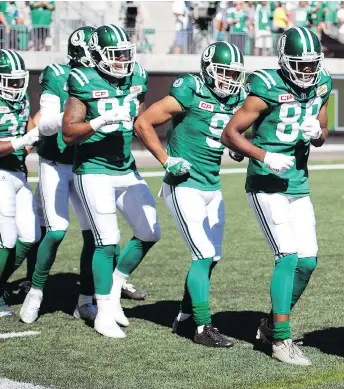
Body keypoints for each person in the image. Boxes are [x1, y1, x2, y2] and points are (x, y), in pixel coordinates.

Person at [221, 27, 331, 365]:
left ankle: (270, 325)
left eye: (312, 64)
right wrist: (264, 156)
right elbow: (230, 134)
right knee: (287, 255)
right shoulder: (266, 86)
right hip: (266, 183)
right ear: (284, 61)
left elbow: (323, 132)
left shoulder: (322, 84)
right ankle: (281, 341)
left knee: (308, 261)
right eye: (301, 64)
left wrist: (318, 134)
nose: (308, 71)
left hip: (298, 182)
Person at [134, 41, 246, 348]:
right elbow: (143, 122)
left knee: (213, 257)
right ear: (209, 70)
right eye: (224, 73)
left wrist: (235, 149)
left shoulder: (236, 96)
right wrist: (165, 159)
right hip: (183, 185)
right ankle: (202, 327)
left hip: (212, 185)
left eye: (235, 74)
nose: (230, 81)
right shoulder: (190, 90)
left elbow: (225, 132)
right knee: (203, 254)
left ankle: (184, 316)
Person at [62, 24, 160, 338]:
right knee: (107, 240)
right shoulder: (83, 79)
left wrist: (165, 158)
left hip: (125, 168)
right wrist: (99, 120)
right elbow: (68, 133)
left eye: (125, 54)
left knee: (149, 231)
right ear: (98, 55)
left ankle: (115, 287)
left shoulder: (137, 76)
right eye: (115, 55)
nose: (122, 60)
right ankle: (102, 312)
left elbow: (141, 121)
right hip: (93, 170)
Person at [19, 26, 98, 325]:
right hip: (54, 161)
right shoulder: (58, 73)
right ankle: (35, 292)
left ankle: (86, 300)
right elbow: (50, 125)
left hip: (87, 164)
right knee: (55, 230)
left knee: (97, 235)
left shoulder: (107, 79)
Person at [0, 49, 41, 317]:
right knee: (8, 238)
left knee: (31, 235)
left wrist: (34, 136)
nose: (17, 87)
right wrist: (20, 142)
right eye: (10, 81)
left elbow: (27, 127)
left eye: (19, 80)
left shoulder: (22, 99)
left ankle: (1, 285)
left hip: (17, 172)